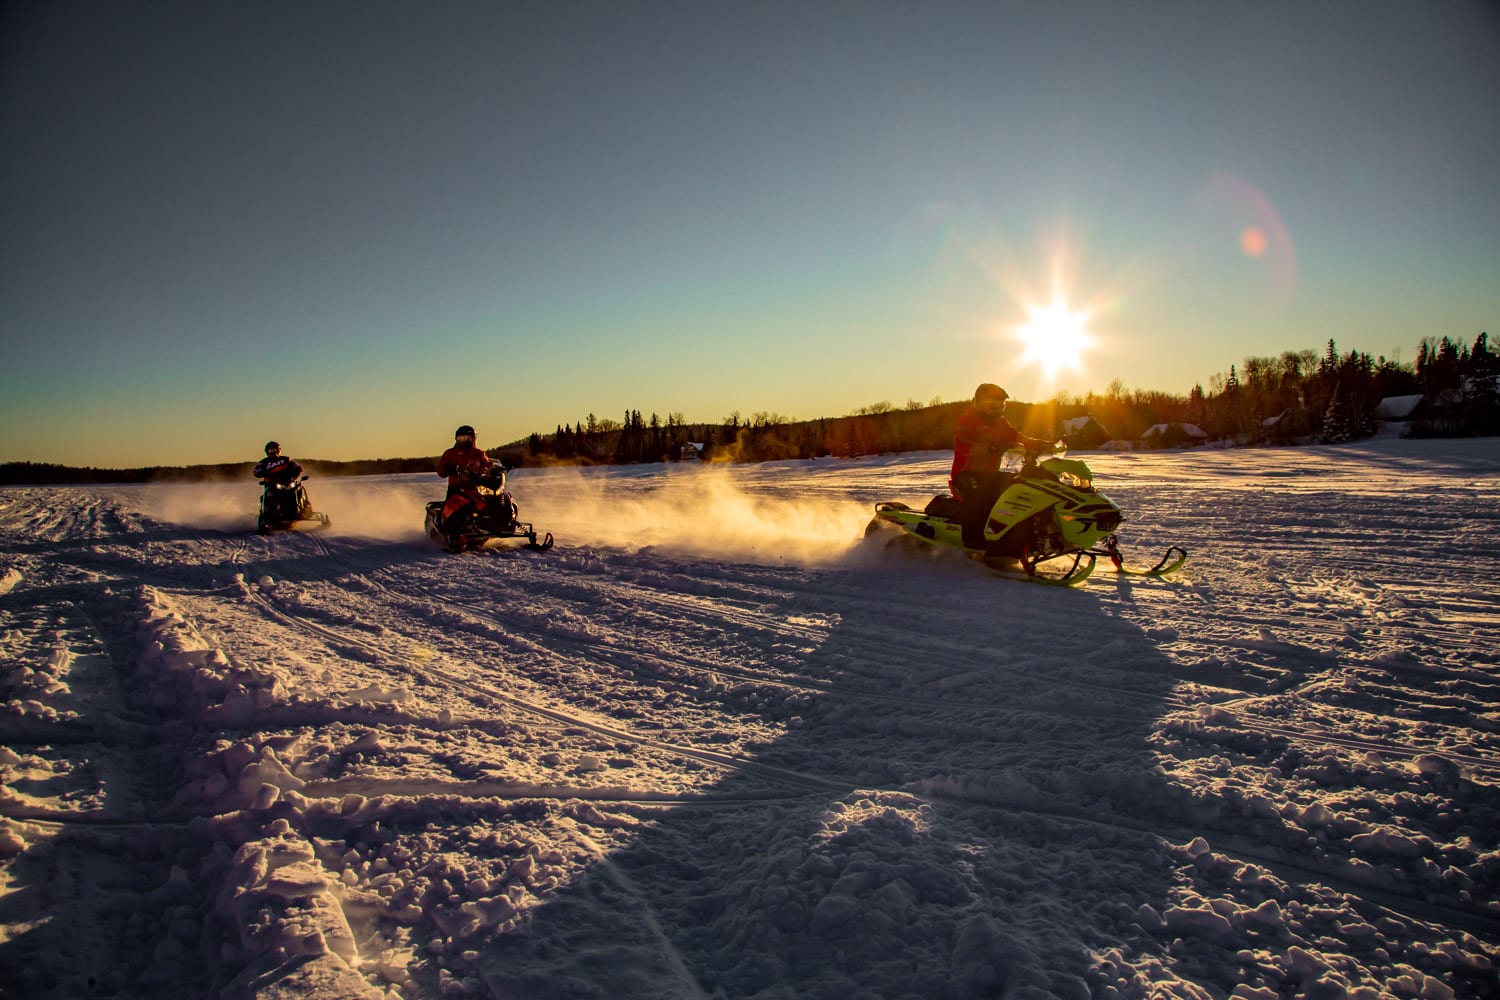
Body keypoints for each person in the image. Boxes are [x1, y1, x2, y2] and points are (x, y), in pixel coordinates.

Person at [949, 384, 1054, 550]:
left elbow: (1020, 437)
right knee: (979, 494)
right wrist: (988, 447)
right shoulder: (968, 421)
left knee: (1019, 487)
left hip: (989, 475)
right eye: (991, 405)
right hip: (966, 475)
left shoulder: (1001, 423)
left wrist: (1043, 445)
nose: (995, 410)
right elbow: (963, 445)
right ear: (979, 404)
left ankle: (1018, 533)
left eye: (999, 406)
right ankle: (972, 540)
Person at [436, 425, 497, 548]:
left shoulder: (479, 454)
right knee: (453, 509)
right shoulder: (450, 454)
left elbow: (488, 466)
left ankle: (495, 525)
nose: (465, 442)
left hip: (475, 487)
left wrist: (495, 470)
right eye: (462, 439)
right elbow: (440, 471)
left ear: (474, 439)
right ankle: (446, 528)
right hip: (456, 487)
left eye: (468, 439)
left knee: (492, 503)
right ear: (457, 440)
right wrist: (448, 469)